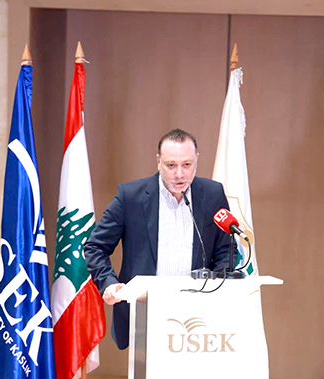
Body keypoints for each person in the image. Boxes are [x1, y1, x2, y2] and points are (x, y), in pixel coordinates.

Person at [84, 128, 237, 351]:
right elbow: (95, 246)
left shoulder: (213, 194)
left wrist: (215, 289)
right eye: (171, 165)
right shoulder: (131, 197)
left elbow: (226, 250)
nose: (179, 174)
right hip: (145, 311)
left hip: (198, 314)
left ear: (196, 160)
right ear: (158, 161)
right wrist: (109, 282)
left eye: (187, 165)